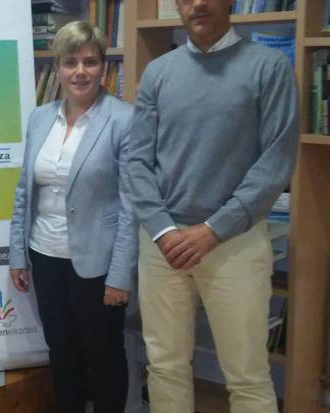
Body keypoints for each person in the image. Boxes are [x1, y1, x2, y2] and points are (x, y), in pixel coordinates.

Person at [127, 0, 299, 411]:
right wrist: (163, 230)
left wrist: (212, 231)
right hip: (163, 245)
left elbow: (275, 163)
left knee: (247, 376)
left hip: (234, 243)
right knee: (164, 366)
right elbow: (137, 161)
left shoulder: (269, 67)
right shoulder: (158, 72)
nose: (198, 3)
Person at [9, 21, 137, 413]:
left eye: (90, 62)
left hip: (98, 265)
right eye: (70, 62)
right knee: (61, 352)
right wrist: (17, 253)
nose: (80, 72)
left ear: (103, 67)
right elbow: (24, 190)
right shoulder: (39, 118)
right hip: (45, 256)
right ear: (59, 67)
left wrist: (120, 276)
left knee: (104, 357)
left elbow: (132, 206)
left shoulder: (123, 120)